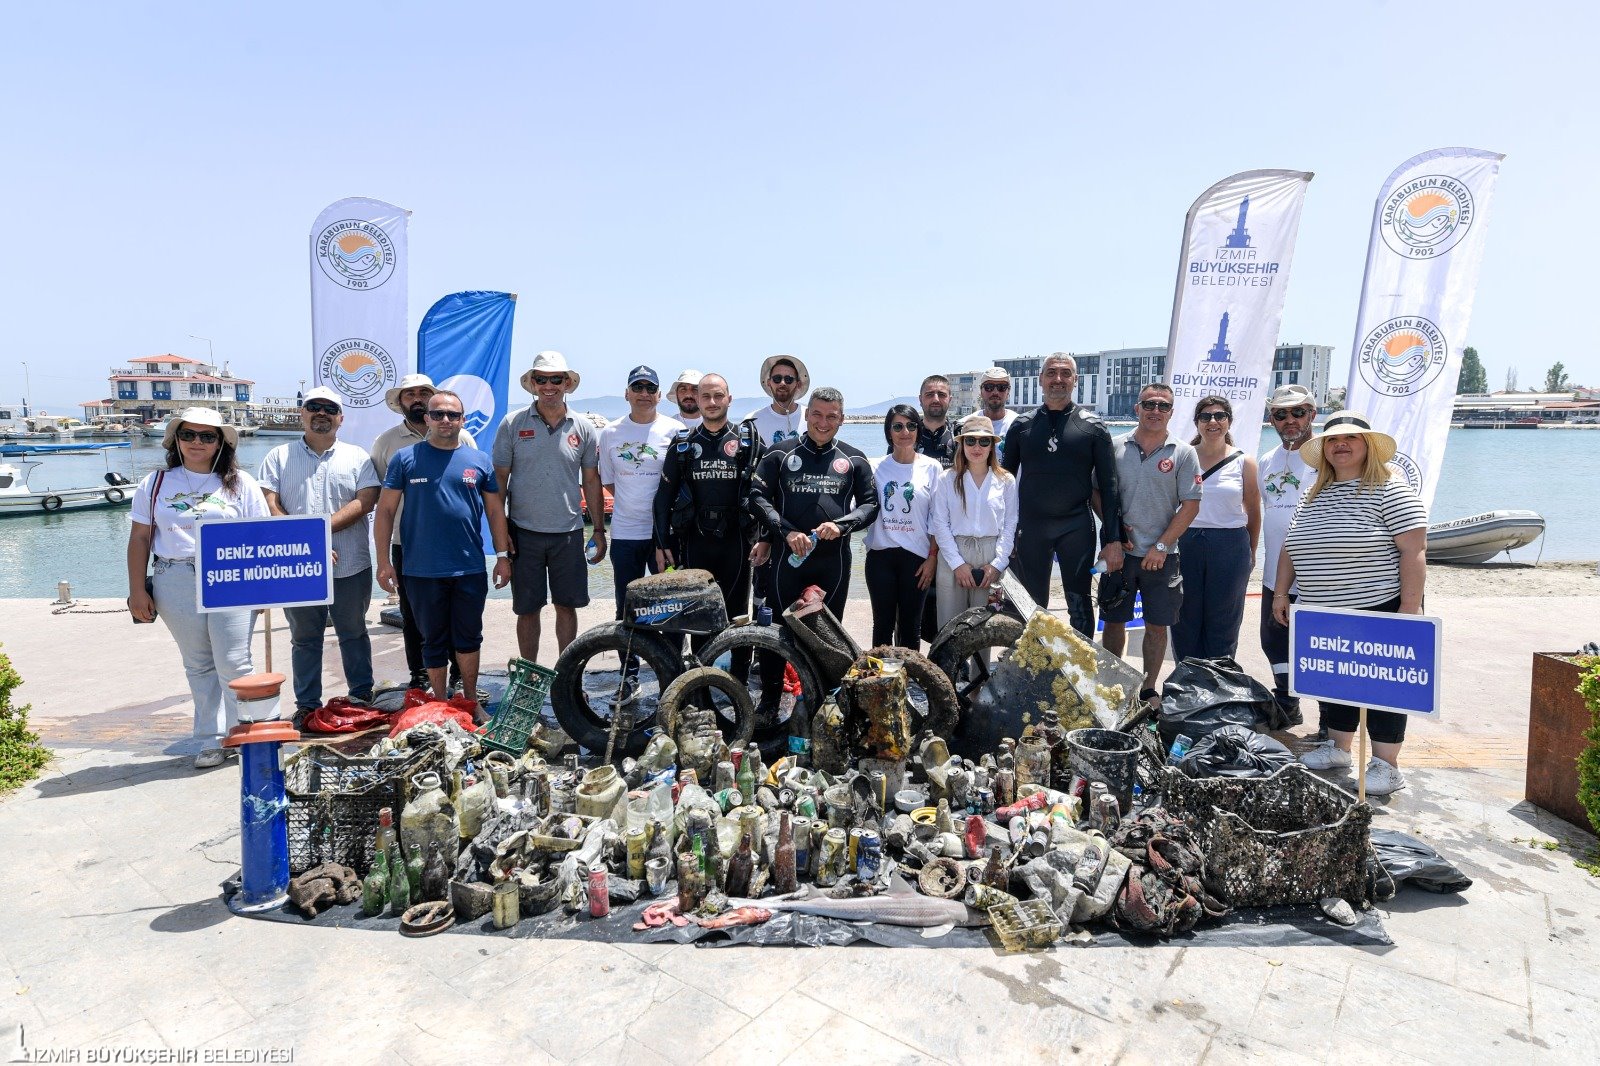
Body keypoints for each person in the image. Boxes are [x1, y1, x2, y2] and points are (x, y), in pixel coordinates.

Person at [1275, 413, 1427, 796]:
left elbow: (1414, 550)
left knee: (1382, 687)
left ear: (1368, 445)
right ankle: (1339, 748)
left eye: (1351, 438)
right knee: (1336, 680)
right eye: (1332, 440)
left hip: (1378, 606)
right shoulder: (1314, 493)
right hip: (1322, 610)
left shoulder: (1390, 489)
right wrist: (1280, 593)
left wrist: (1409, 610)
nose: (1340, 445)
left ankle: (1387, 766)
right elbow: (1290, 547)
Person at [125, 408, 271, 768]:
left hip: (231, 576)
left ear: (220, 443)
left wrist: (263, 589)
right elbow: (140, 537)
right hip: (172, 576)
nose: (197, 442)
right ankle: (210, 739)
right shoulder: (154, 483)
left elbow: (261, 537)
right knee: (198, 664)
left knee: (235, 660)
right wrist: (136, 590)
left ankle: (244, 733)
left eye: (207, 436)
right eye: (188, 434)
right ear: (175, 439)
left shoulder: (242, 483)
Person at [374, 391, 513, 706]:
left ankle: (470, 703)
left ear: (463, 420)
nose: (445, 420)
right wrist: (384, 561)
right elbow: (384, 512)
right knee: (432, 641)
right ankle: (439, 705)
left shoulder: (479, 461)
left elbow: (495, 512)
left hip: (469, 568)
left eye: (452, 414)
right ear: (427, 419)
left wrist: (503, 557)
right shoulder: (405, 459)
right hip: (421, 570)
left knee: (469, 638)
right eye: (438, 414)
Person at [257, 387, 381, 720]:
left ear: (341, 418)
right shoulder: (278, 456)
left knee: (354, 632)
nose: (321, 412)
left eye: (330, 408)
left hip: (350, 564)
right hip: (297, 567)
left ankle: (360, 695)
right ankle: (308, 704)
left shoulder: (358, 457)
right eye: (314, 406)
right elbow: (270, 503)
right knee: (304, 638)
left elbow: (365, 501)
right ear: (302, 413)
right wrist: (308, 546)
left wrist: (316, 536)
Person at [492, 350, 606, 664]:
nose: (549, 386)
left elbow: (591, 481)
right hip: (523, 533)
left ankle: (565, 672)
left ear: (567, 383)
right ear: (532, 384)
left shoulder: (583, 427)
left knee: (566, 606)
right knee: (527, 609)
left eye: (556, 379)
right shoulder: (512, 423)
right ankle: (529, 673)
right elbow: (498, 482)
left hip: (568, 533)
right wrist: (500, 535)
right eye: (541, 379)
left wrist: (598, 530)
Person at [1000, 353, 1124, 636]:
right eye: (1051, 373)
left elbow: (1109, 487)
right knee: (1030, 606)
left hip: (1076, 527)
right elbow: (1004, 484)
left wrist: (1113, 539)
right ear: (1041, 380)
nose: (1058, 379)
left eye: (1065, 373)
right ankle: (1034, 662)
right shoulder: (1022, 426)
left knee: (1079, 606)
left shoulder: (1093, 427)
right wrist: (1002, 533)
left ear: (1075, 380)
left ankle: (1081, 664)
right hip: (1031, 527)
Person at [370, 373, 477, 691]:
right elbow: (382, 504)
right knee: (413, 615)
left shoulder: (463, 437)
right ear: (400, 402)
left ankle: (459, 678)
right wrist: (383, 560)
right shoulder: (386, 443)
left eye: (423, 393)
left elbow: (476, 488)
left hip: (456, 546)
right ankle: (419, 677)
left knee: (458, 616)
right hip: (408, 544)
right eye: (409, 394)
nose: (416, 398)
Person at [1100, 383, 1202, 705]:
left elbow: (1191, 505)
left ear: (1171, 412)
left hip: (1162, 557)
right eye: (1149, 404)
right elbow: (1096, 493)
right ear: (1137, 408)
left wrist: (1161, 546)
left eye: (1163, 406)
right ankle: (1113, 686)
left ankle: (1147, 689)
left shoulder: (1184, 452)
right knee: (1113, 621)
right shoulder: (1115, 447)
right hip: (1120, 552)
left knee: (1157, 627)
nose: (1155, 411)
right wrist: (1114, 531)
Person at [653, 373, 763, 668]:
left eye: (718, 396)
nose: (712, 402)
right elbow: (663, 499)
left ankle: (738, 681)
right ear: (698, 401)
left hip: (737, 542)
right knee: (699, 614)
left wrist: (766, 539)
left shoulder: (747, 442)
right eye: (706, 396)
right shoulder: (684, 444)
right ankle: (701, 681)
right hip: (695, 541)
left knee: (738, 614)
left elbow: (767, 496)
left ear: (729, 399)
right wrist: (662, 544)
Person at [747, 386, 879, 621]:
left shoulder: (854, 459)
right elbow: (757, 498)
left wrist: (840, 526)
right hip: (787, 561)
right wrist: (787, 532)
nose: (823, 422)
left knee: (827, 634)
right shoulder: (779, 454)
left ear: (842, 419)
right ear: (807, 414)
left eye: (831, 416)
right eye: (817, 414)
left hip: (833, 563)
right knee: (780, 632)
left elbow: (870, 505)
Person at [598, 365, 684, 699]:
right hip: (625, 533)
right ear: (627, 393)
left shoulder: (675, 430)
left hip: (666, 536)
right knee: (627, 606)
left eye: (650, 388)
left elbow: (681, 483)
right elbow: (609, 483)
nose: (644, 394)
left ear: (660, 395)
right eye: (638, 387)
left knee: (671, 604)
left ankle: (673, 671)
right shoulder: (610, 433)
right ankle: (628, 675)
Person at [1171, 395, 1260, 665]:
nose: (1213, 421)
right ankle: (1187, 682)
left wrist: (1251, 552)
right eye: (1206, 416)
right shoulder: (1182, 457)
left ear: (1229, 421)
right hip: (1187, 542)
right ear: (1196, 422)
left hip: (1230, 545)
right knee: (1184, 618)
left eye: (1220, 416)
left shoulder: (1245, 462)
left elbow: (1253, 512)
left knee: (1224, 621)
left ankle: (1220, 683)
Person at [1257, 384, 1317, 729]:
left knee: (1317, 647)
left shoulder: (1326, 457)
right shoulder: (1267, 461)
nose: (1290, 420)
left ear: (1312, 414)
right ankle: (1287, 702)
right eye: (1281, 414)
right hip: (1274, 574)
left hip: (1316, 576)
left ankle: (1330, 720)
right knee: (1274, 641)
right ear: (1272, 420)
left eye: (1298, 412)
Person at [928, 415, 1018, 630]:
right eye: (970, 440)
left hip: (991, 554)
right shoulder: (946, 479)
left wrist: (998, 564)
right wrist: (957, 564)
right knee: (950, 627)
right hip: (952, 552)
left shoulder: (1006, 480)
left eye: (984, 441)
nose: (977, 447)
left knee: (984, 628)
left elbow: (1010, 523)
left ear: (992, 446)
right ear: (962, 444)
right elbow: (940, 523)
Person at [863, 405, 941, 648]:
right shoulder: (874, 466)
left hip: (917, 560)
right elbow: (859, 506)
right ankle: (879, 673)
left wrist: (932, 558)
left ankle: (909, 672)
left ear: (918, 430)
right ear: (889, 432)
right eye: (898, 426)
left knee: (911, 627)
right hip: (880, 557)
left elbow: (937, 518)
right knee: (882, 626)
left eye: (911, 425)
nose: (905, 432)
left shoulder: (932, 467)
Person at [740, 355, 808, 446]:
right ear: (769, 382)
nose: (782, 383)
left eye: (788, 379)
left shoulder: (811, 417)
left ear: (798, 384)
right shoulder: (752, 420)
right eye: (777, 379)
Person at [977, 367, 1019, 463]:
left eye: (1001, 387)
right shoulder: (967, 424)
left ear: (1008, 392)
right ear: (981, 391)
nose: (995, 392)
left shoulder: (1019, 424)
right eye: (989, 387)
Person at [915, 374, 957, 467]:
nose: (936, 399)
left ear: (950, 400)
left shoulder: (960, 435)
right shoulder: (907, 436)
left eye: (941, 395)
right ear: (920, 400)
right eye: (929, 394)